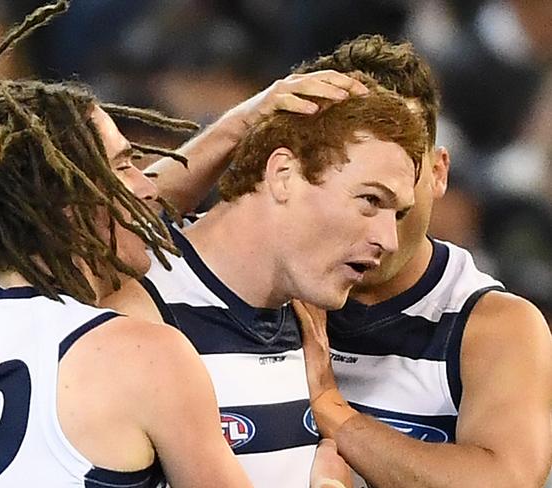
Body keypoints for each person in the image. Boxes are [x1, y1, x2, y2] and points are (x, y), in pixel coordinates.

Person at [0, 2, 256, 486]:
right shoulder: (143, 352)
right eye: (126, 164)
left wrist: (237, 126)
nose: (150, 185)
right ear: (69, 198)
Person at [102, 76, 427, 487]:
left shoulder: (312, 320)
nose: (389, 239)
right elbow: (97, 228)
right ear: (283, 174)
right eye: (370, 200)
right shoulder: (131, 310)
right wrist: (236, 126)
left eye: (396, 214)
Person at [293, 35, 552, 488]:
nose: (380, 231)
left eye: (396, 189)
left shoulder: (491, 326)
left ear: (437, 173)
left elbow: (506, 480)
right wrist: (240, 126)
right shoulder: (265, 287)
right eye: (363, 190)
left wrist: (333, 412)